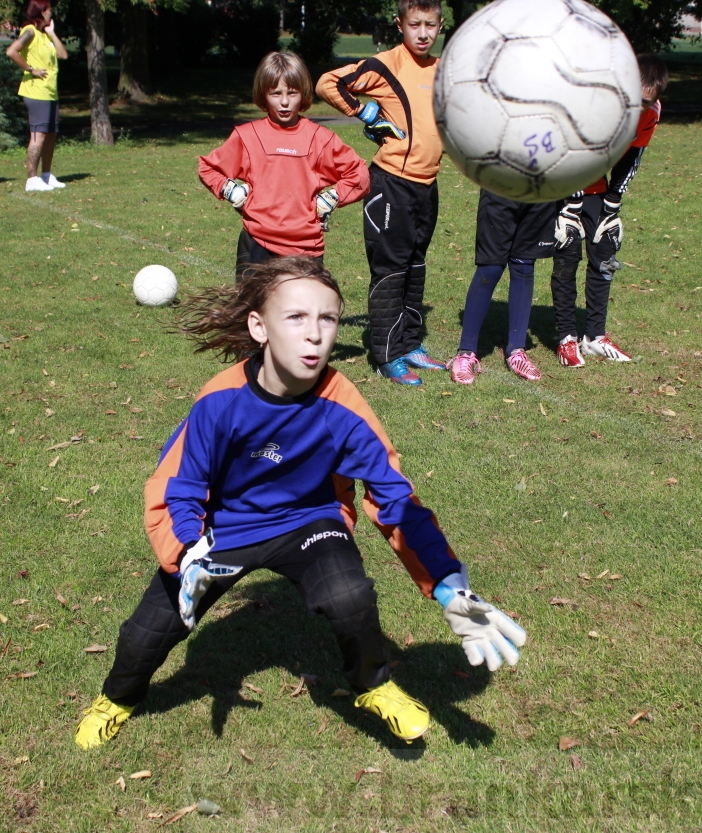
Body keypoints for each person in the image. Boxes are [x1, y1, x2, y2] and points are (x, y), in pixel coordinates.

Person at [74, 257, 526, 750]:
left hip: (310, 521)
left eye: (327, 319)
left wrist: (447, 585)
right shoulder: (219, 400)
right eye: (296, 318)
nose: (315, 335)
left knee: (348, 595)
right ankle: (116, 699)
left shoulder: (343, 405)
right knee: (144, 635)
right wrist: (187, 552)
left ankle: (373, 685)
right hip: (224, 531)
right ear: (259, 327)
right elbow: (178, 487)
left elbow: (394, 497)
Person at [316, 0, 445, 385]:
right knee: (390, 269)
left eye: (431, 25)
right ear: (400, 24)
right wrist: (365, 113)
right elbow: (328, 83)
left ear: (440, 26)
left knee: (416, 265)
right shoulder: (386, 64)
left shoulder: (442, 70)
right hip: (391, 183)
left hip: (428, 185)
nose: (423, 33)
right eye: (415, 25)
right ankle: (387, 354)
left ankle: (409, 344)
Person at [198, 52, 370, 281]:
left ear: (303, 93)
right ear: (263, 94)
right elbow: (208, 168)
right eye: (275, 93)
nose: (285, 102)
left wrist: (332, 197)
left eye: (292, 92)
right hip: (257, 243)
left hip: (306, 247)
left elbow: (359, 174)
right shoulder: (247, 136)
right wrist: (231, 191)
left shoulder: (320, 138)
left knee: (303, 314)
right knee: (254, 313)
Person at [549, 54, 669, 368]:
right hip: (559, 181)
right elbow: (568, 148)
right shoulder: (594, 102)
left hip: (597, 185)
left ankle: (595, 336)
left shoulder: (650, 111)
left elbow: (632, 158)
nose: (639, 108)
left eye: (646, 102)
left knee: (605, 250)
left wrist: (612, 206)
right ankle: (566, 337)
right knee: (567, 251)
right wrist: (571, 205)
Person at [447, 191, 562, 383]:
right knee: (490, 268)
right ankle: (465, 352)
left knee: (524, 266)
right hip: (501, 185)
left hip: (541, 190)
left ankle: (516, 350)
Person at [5, 0, 68, 193]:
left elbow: (63, 55)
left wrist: (51, 32)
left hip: (50, 92)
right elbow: (11, 51)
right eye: (48, 11)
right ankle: (31, 179)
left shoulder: (43, 35)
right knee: (38, 135)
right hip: (36, 92)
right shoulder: (30, 31)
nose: (51, 14)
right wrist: (31, 69)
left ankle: (46, 175)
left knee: (50, 135)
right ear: (40, 12)